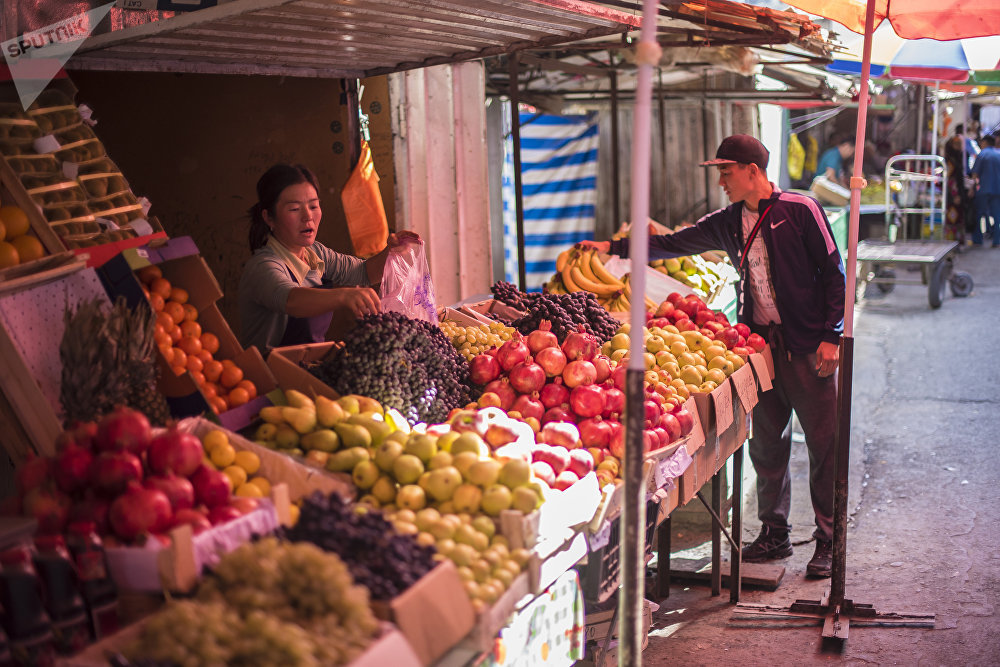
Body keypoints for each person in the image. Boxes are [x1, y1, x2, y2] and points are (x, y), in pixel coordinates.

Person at [578, 134, 846, 578]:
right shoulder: (728, 222)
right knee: (767, 444)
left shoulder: (801, 210)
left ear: (752, 172)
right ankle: (774, 535)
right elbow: (676, 244)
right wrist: (615, 249)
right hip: (762, 350)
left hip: (808, 347)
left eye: (726, 170)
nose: (721, 180)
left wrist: (831, 335)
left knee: (823, 446)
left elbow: (835, 274)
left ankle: (828, 540)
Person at [238, 163, 420, 352]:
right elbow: (290, 300)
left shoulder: (315, 254)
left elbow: (364, 272)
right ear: (269, 217)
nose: (307, 216)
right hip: (269, 375)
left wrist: (390, 252)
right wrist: (343, 295)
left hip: (308, 368)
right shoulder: (262, 266)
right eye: (294, 209)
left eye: (313, 205)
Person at [971, 134, 1000, 247]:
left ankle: (978, 240)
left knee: (979, 213)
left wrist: (972, 188)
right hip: (997, 189)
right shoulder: (998, 155)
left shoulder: (982, 154)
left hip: (984, 189)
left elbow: (975, 174)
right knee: (997, 215)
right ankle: (997, 240)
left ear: (985, 143)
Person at [944, 135, 970, 247]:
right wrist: (955, 195)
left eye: (960, 144)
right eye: (956, 144)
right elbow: (950, 180)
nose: (959, 146)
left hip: (958, 194)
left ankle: (957, 242)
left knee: (957, 219)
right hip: (953, 196)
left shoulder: (958, 158)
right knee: (953, 220)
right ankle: (952, 243)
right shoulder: (950, 161)